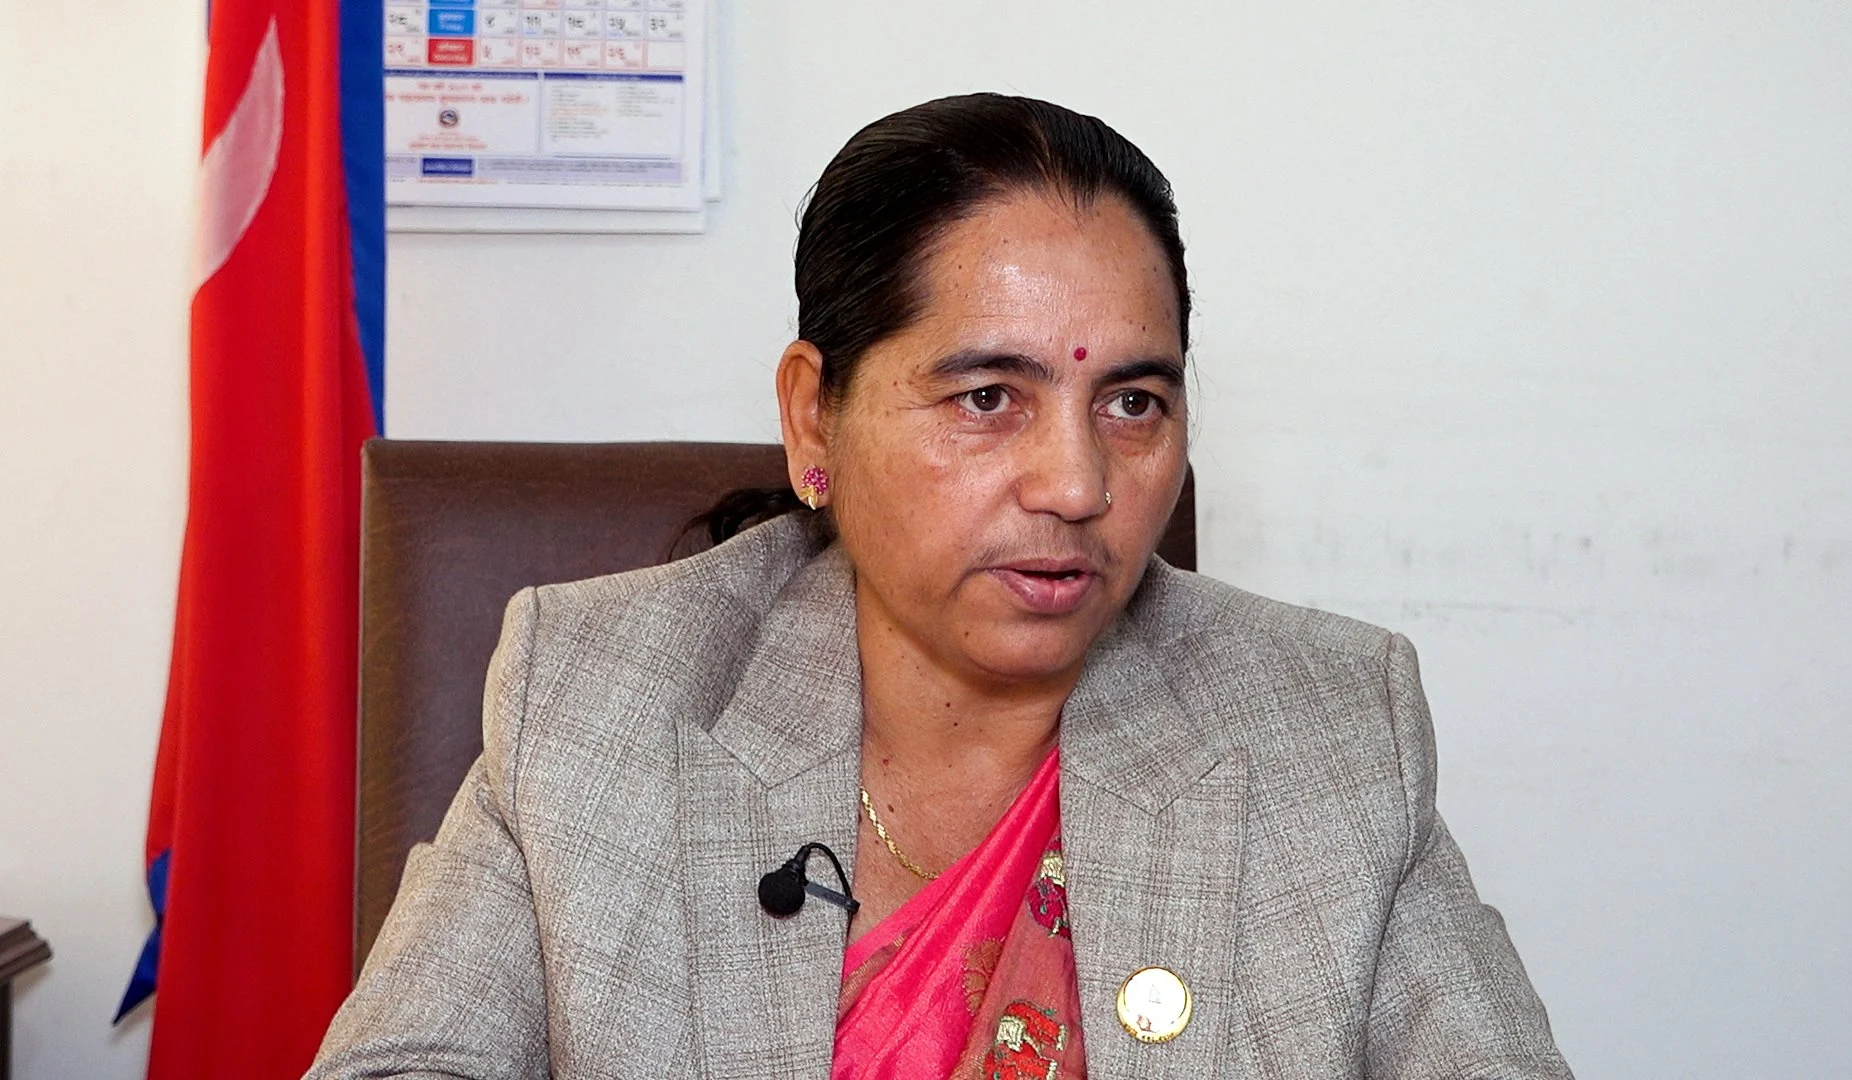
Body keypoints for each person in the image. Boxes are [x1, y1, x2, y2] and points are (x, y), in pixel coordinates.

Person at [307, 93, 1572, 1079]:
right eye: (988, 398)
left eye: (1133, 402)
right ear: (814, 417)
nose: (1076, 482)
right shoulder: (601, 700)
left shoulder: (1327, 729)